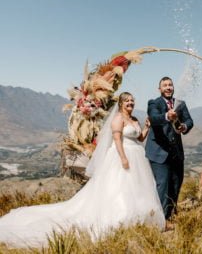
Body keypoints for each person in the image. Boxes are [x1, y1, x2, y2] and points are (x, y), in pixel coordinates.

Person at [0, 92, 165, 248]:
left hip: (137, 156)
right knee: (120, 187)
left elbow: (140, 138)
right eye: (127, 100)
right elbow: (117, 140)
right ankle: (122, 217)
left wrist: (147, 127)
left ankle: (140, 218)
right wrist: (123, 158)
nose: (131, 103)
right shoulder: (118, 118)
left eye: (132, 100)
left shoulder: (135, 119)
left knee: (136, 188)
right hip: (122, 156)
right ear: (121, 104)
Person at [145, 76, 193, 226]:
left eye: (170, 85)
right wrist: (167, 116)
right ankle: (159, 221)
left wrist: (183, 126)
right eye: (164, 85)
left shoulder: (181, 104)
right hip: (158, 152)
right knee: (163, 185)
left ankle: (171, 215)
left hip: (176, 153)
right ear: (159, 89)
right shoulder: (154, 103)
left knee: (176, 184)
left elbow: (189, 121)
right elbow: (154, 118)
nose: (168, 87)